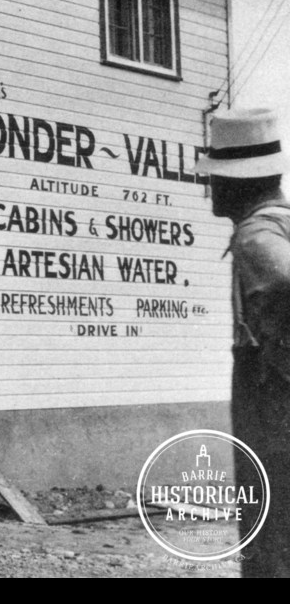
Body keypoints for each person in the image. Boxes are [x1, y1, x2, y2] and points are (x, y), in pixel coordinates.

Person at [196, 107, 290, 577]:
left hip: (274, 416)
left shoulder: (255, 235)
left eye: (213, 177)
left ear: (237, 181)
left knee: (270, 539)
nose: (208, 188)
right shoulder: (283, 223)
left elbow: (280, 285)